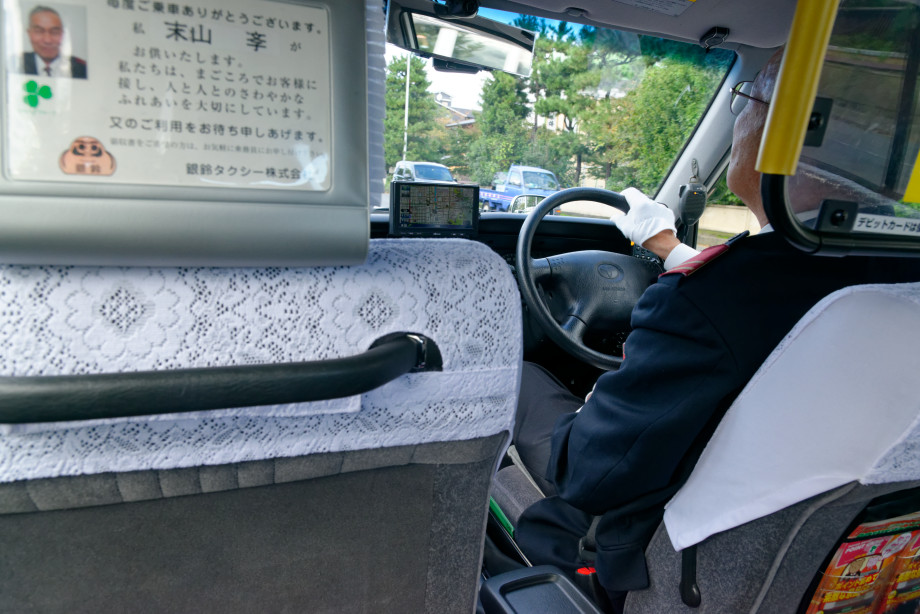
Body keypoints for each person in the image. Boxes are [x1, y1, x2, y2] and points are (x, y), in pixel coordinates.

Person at [510, 48, 920, 612]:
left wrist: (596, 406)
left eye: (745, 97)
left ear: (785, 132)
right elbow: (771, 318)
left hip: (675, 579)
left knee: (521, 380)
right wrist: (671, 251)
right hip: (844, 569)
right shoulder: (900, 279)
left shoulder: (714, 301)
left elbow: (589, 475)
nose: (739, 113)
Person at [22, 6, 86, 79]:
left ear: (62, 35)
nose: (47, 40)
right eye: (39, 31)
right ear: (29, 34)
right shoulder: (17, 64)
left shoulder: (81, 69)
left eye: (54, 32)